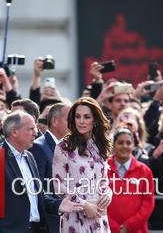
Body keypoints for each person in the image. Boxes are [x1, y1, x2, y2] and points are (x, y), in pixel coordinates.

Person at [53, 97, 113, 232]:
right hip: (74, 217)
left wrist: (108, 194)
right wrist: (84, 205)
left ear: (95, 120)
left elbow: (103, 180)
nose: (81, 121)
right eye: (77, 117)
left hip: (98, 215)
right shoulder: (63, 146)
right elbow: (58, 185)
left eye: (86, 117)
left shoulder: (99, 146)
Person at [28, 102, 71, 233]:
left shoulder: (70, 147)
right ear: (54, 121)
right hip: (49, 224)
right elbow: (38, 189)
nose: (75, 123)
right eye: (69, 119)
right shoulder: (39, 147)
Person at [107, 128, 154, 233]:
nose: (124, 146)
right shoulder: (103, 169)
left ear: (133, 146)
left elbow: (148, 203)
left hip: (137, 230)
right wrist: (113, 227)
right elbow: (98, 200)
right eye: (120, 143)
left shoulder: (144, 171)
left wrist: (129, 225)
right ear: (113, 145)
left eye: (128, 143)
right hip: (108, 230)